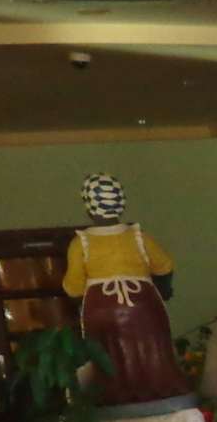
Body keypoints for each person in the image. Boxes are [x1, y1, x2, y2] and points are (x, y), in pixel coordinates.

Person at [62, 174, 189, 407]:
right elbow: (165, 265)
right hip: (144, 303)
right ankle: (159, 388)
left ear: (89, 207)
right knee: (151, 346)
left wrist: (77, 300)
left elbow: (73, 286)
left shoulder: (81, 243)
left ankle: (116, 395)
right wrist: (163, 290)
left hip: (102, 307)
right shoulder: (139, 237)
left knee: (110, 351)